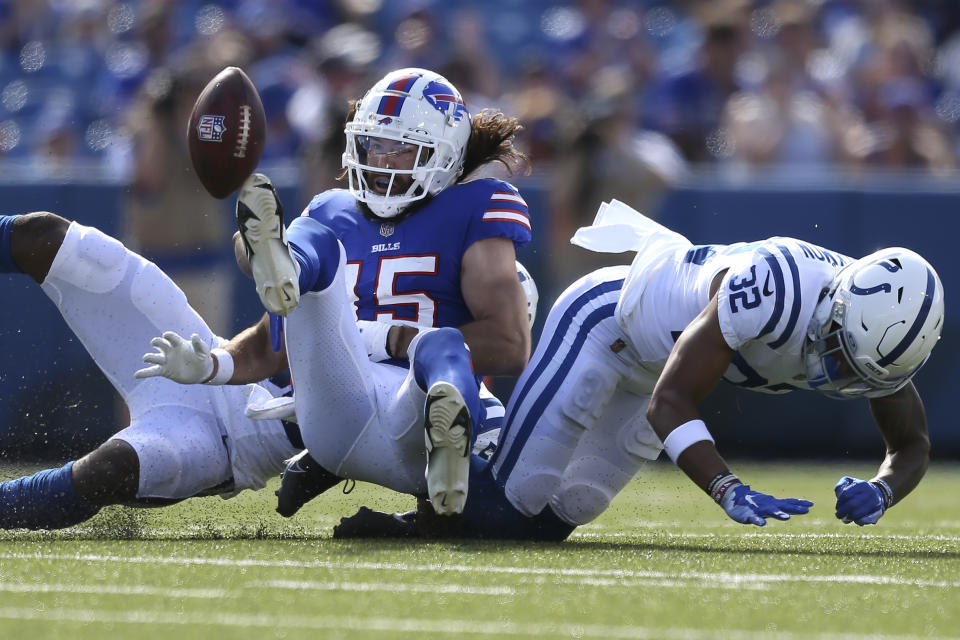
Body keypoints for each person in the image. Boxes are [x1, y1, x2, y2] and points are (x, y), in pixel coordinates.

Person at [336, 200, 943, 540]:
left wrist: (884, 489)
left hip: (658, 369)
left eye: (856, 369)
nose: (837, 370)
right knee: (508, 506)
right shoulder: (773, 285)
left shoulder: (878, 340)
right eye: (837, 350)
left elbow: (911, 442)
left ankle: (421, 506)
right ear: (837, 303)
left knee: (553, 519)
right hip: (610, 326)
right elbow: (670, 401)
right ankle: (349, 452)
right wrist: (727, 488)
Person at [153, 67, 533, 518]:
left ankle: (446, 454)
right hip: (337, 395)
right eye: (375, 144)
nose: (382, 160)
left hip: (416, 407)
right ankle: (283, 259)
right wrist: (212, 364)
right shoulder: (334, 210)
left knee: (442, 344)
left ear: (446, 153)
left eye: (401, 147)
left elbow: (510, 347)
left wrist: (389, 338)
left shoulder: (477, 205)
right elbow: (275, 343)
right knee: (314, 236)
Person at [0, 211, 301, 529]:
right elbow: (265, 337)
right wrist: (264, 248)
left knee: (107, 471)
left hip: (234, 443)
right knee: (55, 241)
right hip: (205, 355)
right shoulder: (335, 219)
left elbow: (348, 441)